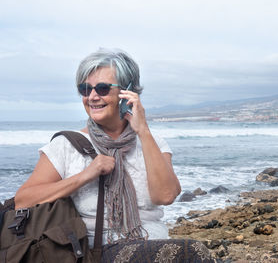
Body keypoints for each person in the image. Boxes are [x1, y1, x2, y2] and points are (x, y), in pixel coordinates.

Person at [14, 48, 182, 246]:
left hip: (154, 244)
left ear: (128, 92)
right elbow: (23, 200)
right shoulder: (67, 145)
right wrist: (86, 175)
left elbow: (165, 195)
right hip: (95, 250)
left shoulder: (152, 142)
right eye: (85, 89)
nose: (92, 96)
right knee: (191, 251)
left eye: (102, 88)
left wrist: (143, 131)